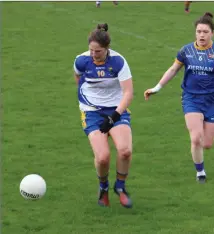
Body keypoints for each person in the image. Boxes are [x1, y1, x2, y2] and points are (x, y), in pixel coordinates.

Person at [144, 12, 214, 183]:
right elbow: (173, 69)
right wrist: (157, 87)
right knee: (195, 138)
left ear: (212, 33)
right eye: (199, 31)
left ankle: (201, 158)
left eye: (205, 32)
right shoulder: (186, 51)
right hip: (191, 98)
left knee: (207, 143)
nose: (201, 35)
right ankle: (200, 172)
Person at [73, 23, 133, 207]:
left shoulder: (118, 62)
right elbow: (78, 80)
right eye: (91, 50)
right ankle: (104, 187)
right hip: (91, 112)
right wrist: (87, 102)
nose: (93, 55)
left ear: (107, 49)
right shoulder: (81, 60)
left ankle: (120, 187)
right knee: (103, 157)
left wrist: (114, 116)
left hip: (116, 109)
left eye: (97, 51)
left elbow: (128, 92)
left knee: (125, 150)